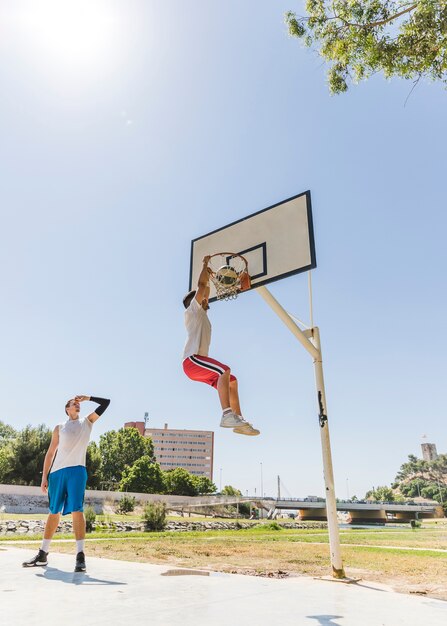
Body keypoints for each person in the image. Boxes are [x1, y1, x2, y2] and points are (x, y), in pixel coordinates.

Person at [22, 395, 110, 572]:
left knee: (77, 509)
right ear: (67, 409)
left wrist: (88, 398)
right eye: (73, 404)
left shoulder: (87, 422)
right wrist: (44, 476)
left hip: (77, 471)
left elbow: (106, 403)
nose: (77, 405)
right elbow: (50, 453)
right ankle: (42, 554)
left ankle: (80, 556)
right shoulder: (59, 427)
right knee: (54, 511)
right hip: (56, 473)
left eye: (78, 404)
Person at [182, 255, 260, 436]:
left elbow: (206, 290)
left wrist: (210, 277)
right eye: (201, 297)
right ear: (194, 301)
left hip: (198, 366)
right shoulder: (192, 311)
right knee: (224, 370)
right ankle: (226, 414)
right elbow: (201, 287)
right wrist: (204, 265)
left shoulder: (202, 315)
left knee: (232, 381)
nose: (205, 297)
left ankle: (238, 421)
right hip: (191, 361)